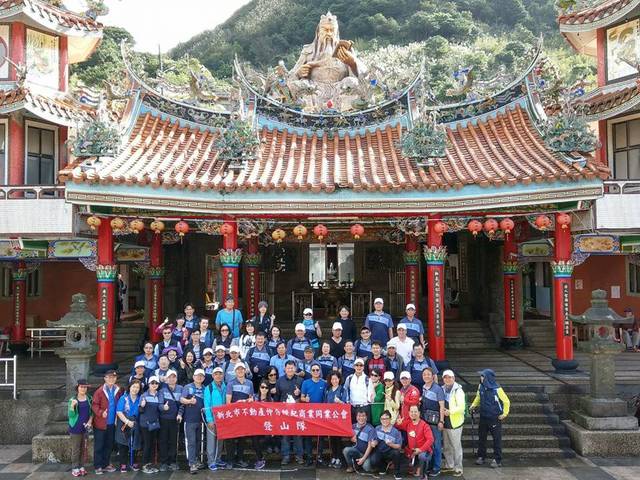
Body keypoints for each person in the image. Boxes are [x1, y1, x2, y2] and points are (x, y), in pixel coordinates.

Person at [470, 369, 510, 469]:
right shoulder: (480, 386)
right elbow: (478, 397)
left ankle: (497, 459)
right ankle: (481, 456)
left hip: (494, 418)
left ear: (488, 377)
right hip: (483, 416)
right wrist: (473, 406)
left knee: (496, 439)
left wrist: (504, 414)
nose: (481, 378)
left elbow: (506, 401)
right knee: (482, 438)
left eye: (482, 376)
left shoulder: (497, 389)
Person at [226, 363, 263, 469]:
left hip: (244, 415)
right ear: (235, 371)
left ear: (245, 370)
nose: (240, 371)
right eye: (238, 369)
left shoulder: (249, 383)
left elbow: (251, 398)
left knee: (242, 438)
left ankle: (240, 459)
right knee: (231, 438)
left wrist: (247, 401)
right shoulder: (230, 383)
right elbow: (228, 402)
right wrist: (236, 405)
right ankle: (230, 461)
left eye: (242, 369)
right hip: (234, 414)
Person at [91, 370, 122, 475]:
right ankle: (98, 466)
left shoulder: (118, 389)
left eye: (113, 377)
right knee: (99, 445)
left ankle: (105, 464)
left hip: (112, 423)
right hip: (101, 423)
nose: (111, 379)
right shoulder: (99, 391)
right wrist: (101, 412)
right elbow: (94, 405)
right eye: (109, 377)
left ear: (116, 378)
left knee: (109, 445)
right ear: (105, 378)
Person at [275, 360, 304, 465]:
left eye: (292, 368)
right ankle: (285, 456)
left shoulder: (300, 380)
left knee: (298, 434)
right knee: (285, 434)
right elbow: (277, 396)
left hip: (297, 412)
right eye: (288, 368)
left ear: (295, 369)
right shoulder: (280, 381)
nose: (290, 370)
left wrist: (299, 393)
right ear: (285, 369)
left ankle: (299, 456)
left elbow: (304, 396)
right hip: (284, 412)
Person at [396, 405, 434, 480]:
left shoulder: (425, 425)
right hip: (412, 452)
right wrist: (398, 423)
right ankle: (416, 467)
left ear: (419, 413)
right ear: (409, 413)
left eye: (415, 412)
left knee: (422, 456)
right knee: (404, 466)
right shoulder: (408, 423)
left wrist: (420, 449)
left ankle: (423, 476)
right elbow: (398, 427)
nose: (413, 413)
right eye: (412, 412)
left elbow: (430, 439)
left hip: (424, 451)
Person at [301, 362, 328, 466]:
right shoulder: (305, 383)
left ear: (320, 371)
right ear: (310, 372)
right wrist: (305, 399)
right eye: (313, 370)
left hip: (320, 413)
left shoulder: (324, 383)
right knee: (308, 437)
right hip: (309, 413)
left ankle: (319, 456)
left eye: (317, 370)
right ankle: (309, 457)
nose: (315, 372)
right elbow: (302, 397)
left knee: (320, 437)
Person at [180, 368, 206, 474]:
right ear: (193, 377)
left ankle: (196, 460)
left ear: (204, 378)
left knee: (198, 441)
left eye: (201, 376)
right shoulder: (188, 387)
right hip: (189, 419)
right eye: (197, 375)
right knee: (191, 442)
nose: (199, 377)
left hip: (201, 420)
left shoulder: (205, 388)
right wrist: (189, 401)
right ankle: (192, 464)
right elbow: (181, 399)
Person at [421, 367, 445, 477]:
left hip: (435, 422)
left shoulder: (438, 389)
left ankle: (437, 467)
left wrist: (441, 421)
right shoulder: (423, 387)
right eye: (424, 374)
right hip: (425, 421)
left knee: (437, 445)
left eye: (428, 374)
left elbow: (442, 406)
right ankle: (429, 466)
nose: (426, 376)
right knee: (429, 444)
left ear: (433, 376)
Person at [441, 370, 465, 477]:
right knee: (447, 446)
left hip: (455, 423)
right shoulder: (442, 389)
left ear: (454, 378)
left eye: (449, 377)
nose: (447, 379)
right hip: (445, 422)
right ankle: (449, 465)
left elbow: (461, 407)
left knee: (456, 447)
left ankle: (458, 468)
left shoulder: (458, 391)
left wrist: (450, 412)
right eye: (445, 377)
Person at [114, 380, 142, 473]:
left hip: (135, 422)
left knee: (135, 443)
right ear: (129, 387)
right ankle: (123, 463)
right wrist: (127, 421)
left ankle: (133, 461)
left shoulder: (140, 399)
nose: (135, 389)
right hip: (124, 422)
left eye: (137, 387)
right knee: (123, 443)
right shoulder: (124, 398)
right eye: (133, 387)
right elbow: (119, 412)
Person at [158, 370, 183, 472]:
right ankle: (164, 462)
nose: (172, 379)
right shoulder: (162, 390)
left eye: (174, 377)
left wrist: (180, 413)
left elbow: (182, 404)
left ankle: (173, 461)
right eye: (169, 377)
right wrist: (163, 407)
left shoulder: (181, 388)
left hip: (175, 419)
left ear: (176, 378)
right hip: (164, 419)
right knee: (163, 441)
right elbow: (159, 405)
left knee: (174, 441)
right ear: (166, 379)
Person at [68, 379, 93, 477]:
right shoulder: (73, 400)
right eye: (81, 387)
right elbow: (70, 415)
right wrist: (72, 406)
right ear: (77, 387)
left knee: (83, 448)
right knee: (76, 449)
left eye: (85, 387)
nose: (83, 389)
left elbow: (92, 413)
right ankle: (75, 467)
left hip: (85, 427)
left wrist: (90, 421)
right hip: (75, 427)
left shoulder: (89, 398)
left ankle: (82, 466)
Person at [203, 367, 227, 471]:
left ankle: (218, 459)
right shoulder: (209, 388)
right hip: (212, 418)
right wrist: (209, 419)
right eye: (216, 374)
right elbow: (207, 404)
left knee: (220, 440)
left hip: (222, 418)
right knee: (211, 441)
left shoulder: (225, 386)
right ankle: (211, 461)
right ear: (213, 376)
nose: (218, 376)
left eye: (220, 374)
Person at [370, 410, 404, 480]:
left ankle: (397, 472)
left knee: (396, 453)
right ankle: (383, 467)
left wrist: (391, 444)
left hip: (390, 451)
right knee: (373, 460)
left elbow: (399, 446)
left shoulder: (395, 431)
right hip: (380, 450)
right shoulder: (377, 428)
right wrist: (374, 442)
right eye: (382, 419)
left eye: (386, 418)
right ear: (380, 420)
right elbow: (374, 440)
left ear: (390, 419)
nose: (384, 420)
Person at [138, 375, 162, 474]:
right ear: (148, 384)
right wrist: (142, 405)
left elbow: (160, 408)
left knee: (152, 444)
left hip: (155, 423)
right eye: (152, 383)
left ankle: (150, 464)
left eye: (156, 383)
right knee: (147, 444)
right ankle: (144, 465)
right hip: (145, 424)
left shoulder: (159, 395)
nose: (154, 385)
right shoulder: (144, 395)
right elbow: (140, 410)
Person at [324, 371, 345, 469]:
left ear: (339, 379)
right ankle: (334, 456)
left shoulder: (342, 390)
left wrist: (340, 402)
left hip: (339, 419)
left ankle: (339, 458)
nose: (334, 381)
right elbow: (325, 403)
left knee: (338, 439)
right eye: (332, 379)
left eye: (336, 379)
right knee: (332, 439)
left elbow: (346, 404)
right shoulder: (328, 390)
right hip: (330, 419)